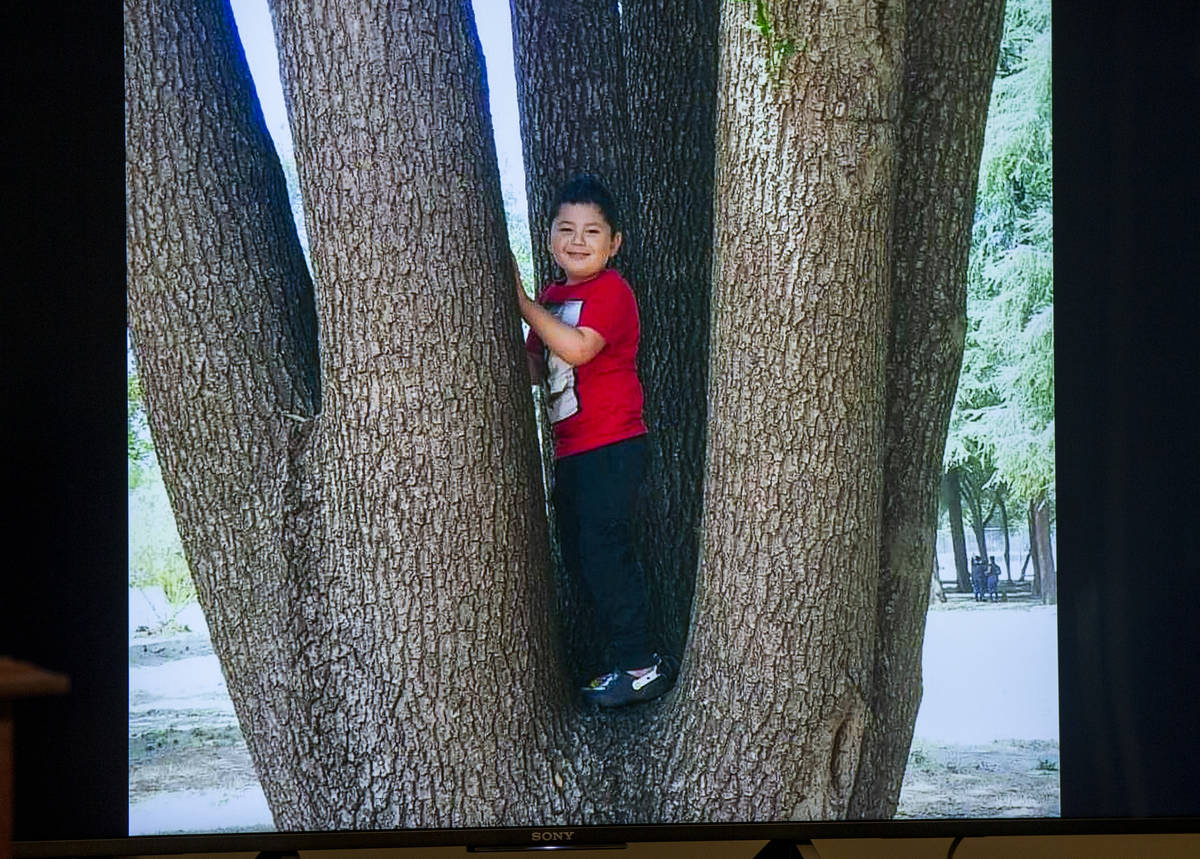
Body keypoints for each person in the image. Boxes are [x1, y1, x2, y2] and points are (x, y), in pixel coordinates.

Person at [515, 175, 673, 708]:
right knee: (582, 557)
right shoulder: (553, 297)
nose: (578, 241)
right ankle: (618, 659)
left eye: (592, 231)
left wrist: (518, 302)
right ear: (551, 236)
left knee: (606, 553)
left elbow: (579, 349)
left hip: (613, 446)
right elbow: (537, 364)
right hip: (572, 452)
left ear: (614, 243)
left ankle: (642, 664)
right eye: (567, 229)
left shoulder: (611, 291)